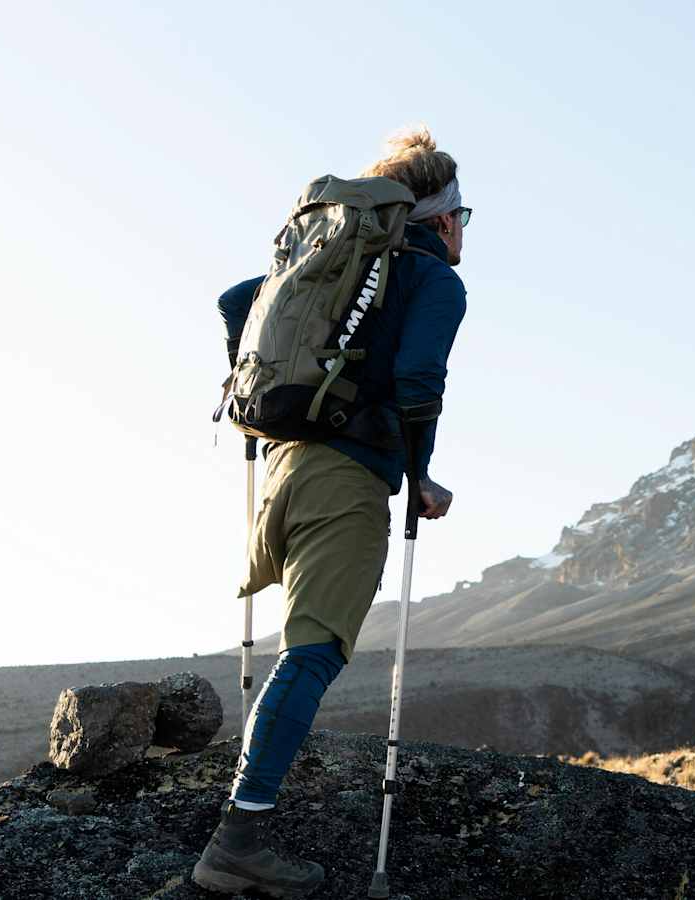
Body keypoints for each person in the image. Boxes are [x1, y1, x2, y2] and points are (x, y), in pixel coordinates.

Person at [193, 126, 469, 897]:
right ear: (441, 217)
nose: (463, 233)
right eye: (464, 218)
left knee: (298, 652)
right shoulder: (431, 281)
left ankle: (242, 822)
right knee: (312, 653)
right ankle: (237, 841)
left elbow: (235, 302)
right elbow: (418, 378)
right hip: (345, 485)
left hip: (284, 471)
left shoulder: (335, 265)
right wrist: (421, 474)